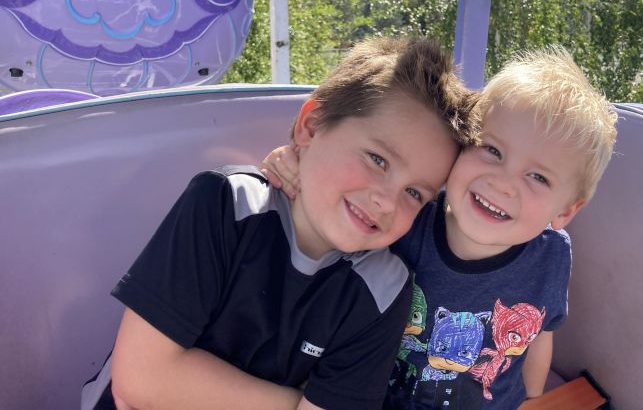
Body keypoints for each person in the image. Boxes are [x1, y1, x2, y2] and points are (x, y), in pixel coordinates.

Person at [81, 37, 480, 410]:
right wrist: (295, 403)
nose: (386, 200)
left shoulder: (384, 291)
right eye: (377, 159)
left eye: (414, 193)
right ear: (310, 126)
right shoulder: (227, 206)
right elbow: (141, 379)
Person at [261, 45, 618, 409]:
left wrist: (534, 398)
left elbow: (541, 331)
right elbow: (334, 218)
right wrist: (293, 163)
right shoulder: (409, 217)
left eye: (538, 177)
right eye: (492, 150)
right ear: (461, 147)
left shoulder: (552, 254)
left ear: (566, 211)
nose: (504, 183)